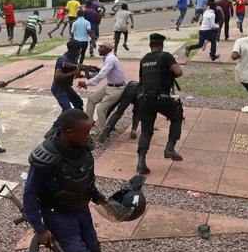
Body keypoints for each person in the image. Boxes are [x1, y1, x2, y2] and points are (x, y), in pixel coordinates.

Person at [22, 108, 113, 252]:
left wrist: (100, 198)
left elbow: (83, 180)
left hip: (82, 211)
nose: (89, 137)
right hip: (59, 216)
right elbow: (30, 195)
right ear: (69, 132)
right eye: (85, 133)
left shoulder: (82, 148)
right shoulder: (46, 158)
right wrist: (40, 229)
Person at [136, 33, 184, 175]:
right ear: (162, 45)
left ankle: (141, 163)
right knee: (177, 115)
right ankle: (170, 147)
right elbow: (178, 72)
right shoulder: (166, 56)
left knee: (146, 131)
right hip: (161, 98)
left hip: (145, 99)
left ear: (150, 45)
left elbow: (141, 81)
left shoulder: (144, 59)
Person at [78, 40, 126, 133]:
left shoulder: (110, 59)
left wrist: (86, 83)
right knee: (91, 99)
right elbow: (98, 71)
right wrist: (84, 75)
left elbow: (101, 74)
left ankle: (104, 132)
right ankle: (89, 124)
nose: (98, 49)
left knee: (100, 109)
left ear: (107, 49)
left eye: (101, 47)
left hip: (117, 88)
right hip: (110, 85)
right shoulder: (107, 58)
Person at [51, 40, 84, 111]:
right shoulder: (62, 60)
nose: (80, 52)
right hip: (58, 88)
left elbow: (72, 72)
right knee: (67, 109)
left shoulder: (74, 57)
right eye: (78, 50)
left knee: (79, 103)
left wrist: (79, 74)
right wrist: (74, 72)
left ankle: (79, 120)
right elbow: (57, 77)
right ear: (72, 50)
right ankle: (59, 122)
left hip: (67, 87)